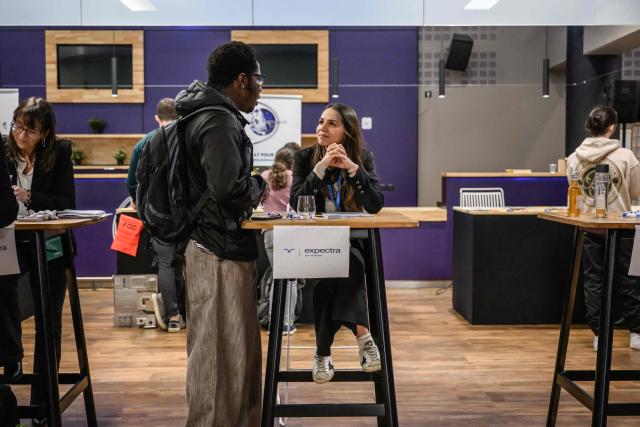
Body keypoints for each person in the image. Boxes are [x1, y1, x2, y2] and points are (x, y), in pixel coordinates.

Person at [175, 41, 267, 426]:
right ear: (241, 80)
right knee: (215, 358)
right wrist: (260, 185)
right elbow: (229, 189)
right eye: (259, 80)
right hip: (215, 250)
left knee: (235, 353)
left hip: (220, 247)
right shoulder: (218, 120)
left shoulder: (209, 114)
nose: (261, 88)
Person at [290, 103, 384, 384]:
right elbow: (296, 204)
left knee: (338, 268)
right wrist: (319, 169)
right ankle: (364, 337)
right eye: (321, 122)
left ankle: (321, 354)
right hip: (314, 242)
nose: (322, 128)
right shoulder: (305, 158)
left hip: (351, 242)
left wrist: (354, 170)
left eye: (332, 124)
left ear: (347, 131)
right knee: (338, 266)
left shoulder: (362, 157)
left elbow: (375, 204)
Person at [1, 97, 75, 423]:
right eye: (18, 126)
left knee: (49, 323)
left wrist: (29, 196)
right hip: (8, 244)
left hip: (50, 244)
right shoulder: (3, 154)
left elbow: (65, 200)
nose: (21, 135)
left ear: (44, 132)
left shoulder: (59, 154)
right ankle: (8, 399)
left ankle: (43, 407)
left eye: (30, 130)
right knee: (7, 314)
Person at [567, 105, 640, 352]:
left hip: (591, 228)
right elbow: (636, 191)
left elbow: (575, 190)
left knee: (594, 281)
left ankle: (600, 335)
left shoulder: (573, 158)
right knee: (632, 279)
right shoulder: (626, 156)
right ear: (612, 128)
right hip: (625, 227)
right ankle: (637, 333)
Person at [126, 98, 184, 332]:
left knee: (165, 264)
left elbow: (132, 183)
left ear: (156, 118)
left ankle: (174, 316)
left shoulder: (144, 143)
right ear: (180, 116)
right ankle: (196, 314)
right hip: (187, 214)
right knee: (191, 263)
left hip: (158, 216)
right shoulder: (187, 138)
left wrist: (144, 207)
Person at [259, 146, 298, 334]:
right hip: (289, 232)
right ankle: (286, 323)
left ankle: (273, 322)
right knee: (290, 279)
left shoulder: (264, 176)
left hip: (268, 233)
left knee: (277, 277)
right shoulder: (294, 178)